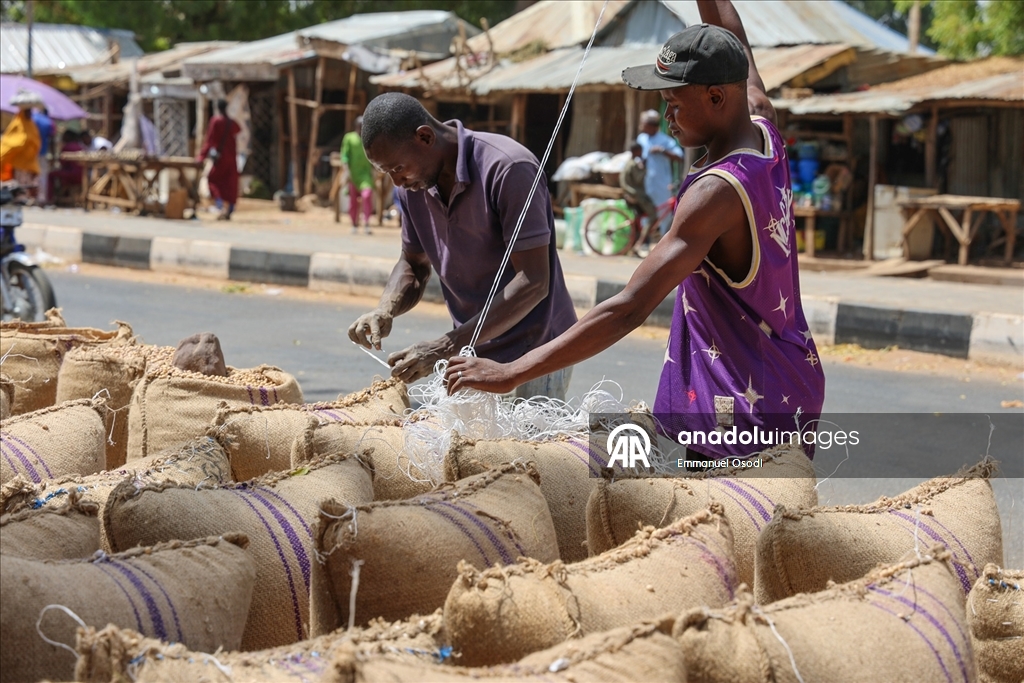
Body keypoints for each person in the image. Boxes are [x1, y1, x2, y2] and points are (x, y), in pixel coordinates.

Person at [446, 0, 826, 459]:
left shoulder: (717, 191)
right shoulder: (762, 122)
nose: (666, 118)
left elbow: (628, 308)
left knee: (706, 501)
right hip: (790, 380)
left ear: (715, 97)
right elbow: (735, 40)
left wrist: (511, 373)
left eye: (673, 104)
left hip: (738, 408)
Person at [348, 92, 577, 400]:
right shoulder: (413, 188)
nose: (396, 182)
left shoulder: (508, 167)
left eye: (398, 168)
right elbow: (414, 264)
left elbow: (534, 281)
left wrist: (446, 345)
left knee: (527, 433)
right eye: (386, 172)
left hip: (535, 353)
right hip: (472, 351)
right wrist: (385, 309)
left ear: (425, 137)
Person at [637, 109, 683, 237]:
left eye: (644, 124)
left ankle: (663, 239)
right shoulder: (641, 139)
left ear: (652, 126)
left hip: (661, 184)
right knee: (647, 213)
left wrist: (662, 151)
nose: (641, 127)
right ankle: (644, 240)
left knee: (664, 213)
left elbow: (680, 157)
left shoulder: (665, 141)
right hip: (645, 182)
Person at [198, 100, 240, 220]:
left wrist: (201, 156)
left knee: (213, 179)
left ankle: (220, 205)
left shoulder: (216, 121)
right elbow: (238, 129)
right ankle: (229, 208)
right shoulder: (231, 122)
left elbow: (210, 140)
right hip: (231, 157)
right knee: (230, 183)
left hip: (221, 158)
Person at [342, 115, 374, 235]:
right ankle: (354, 224)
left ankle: (366, 222)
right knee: (353, 201)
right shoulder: (349, 138)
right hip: (353, 175)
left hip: (365, 175)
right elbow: (345, 155)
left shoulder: (369, 139)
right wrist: (346, 171)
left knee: (367, 195)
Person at [0, 92, 42, 183]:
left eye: (29, 111)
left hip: (30, 164)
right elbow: (12, 143)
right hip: (19, 165)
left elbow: (36, 141)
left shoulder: (31, 125)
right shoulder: (18, 124)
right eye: (27, 111)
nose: (29, 113)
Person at [619, 139, 658, 237]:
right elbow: (638, 179)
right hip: (636, 195)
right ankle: (642, 239)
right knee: (653, 215)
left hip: (632, 193)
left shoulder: (628, 163)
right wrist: (644, 169)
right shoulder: (633, 165)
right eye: (640, 151)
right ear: (636, 151)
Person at [31, 107, 53, 205]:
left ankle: (30, 197)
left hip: (30, 153)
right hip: (43, 153)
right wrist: (53, 155)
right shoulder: (49, 122)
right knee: (42, 176)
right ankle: (41, 199)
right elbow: (52, 139)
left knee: (30, 175)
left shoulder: (32, 118)